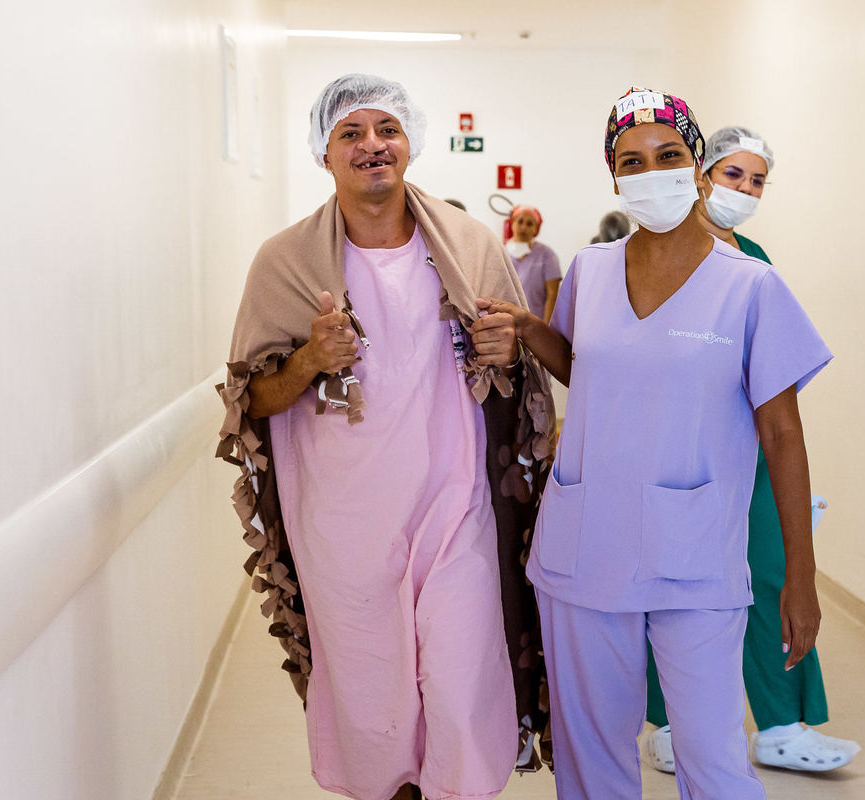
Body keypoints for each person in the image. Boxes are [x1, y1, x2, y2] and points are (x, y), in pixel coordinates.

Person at [479, 87, 832, 800]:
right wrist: (527, 327)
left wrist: (801, 576)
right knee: (592, 755)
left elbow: (783, 435)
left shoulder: (750, 286)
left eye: (667, 155)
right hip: (585, 546)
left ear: (697, 163)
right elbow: (591, 370)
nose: (651, 172)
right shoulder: (592, 269)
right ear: (614, 177)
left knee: (713, 759)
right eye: (630, 161)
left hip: (696, 557)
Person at [215, 74, 556, 800]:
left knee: (464, 687)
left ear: (411, 143)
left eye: (386, 130)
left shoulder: (466, 247)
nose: (373, 145)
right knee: (376, 706)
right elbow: (254, 403)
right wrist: (308, 360)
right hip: (344, 522)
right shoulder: (285, 264)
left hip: (455, 507)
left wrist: (507, 348)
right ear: (324, 154)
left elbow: (520, 367)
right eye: (351, 133)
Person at [644, 125, 861, 774]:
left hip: (754, 446)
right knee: (672, 588)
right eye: (734, 174)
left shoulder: (756, 256)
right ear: (702, 173)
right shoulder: (660, 251)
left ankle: (782, 726)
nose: (745, 189)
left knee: (771, 576)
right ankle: (666, 725)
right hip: (677, 453)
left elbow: (774, 356)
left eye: (758, 180)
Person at [503, 205, 562, 321]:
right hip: (506, 322)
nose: (524, 227)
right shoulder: (500, 252)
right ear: (512, 223)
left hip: (536, 322)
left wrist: (546, 327)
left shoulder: (546, 254)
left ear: (536, 229)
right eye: (520, 222)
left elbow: (552, 295)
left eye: (529, 224)